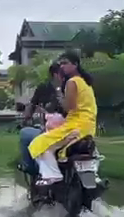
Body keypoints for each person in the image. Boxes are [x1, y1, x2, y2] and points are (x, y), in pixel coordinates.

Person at [28, 51, 98, 185]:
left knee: (39, 144)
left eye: (65, 63)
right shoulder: (85, 82)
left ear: (75, 64)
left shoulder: (72, 82)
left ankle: (52, 175)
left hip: (75, 126)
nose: (62, 66)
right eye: (60, 64)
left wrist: (59, 91)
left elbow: (69, 107)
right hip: (88, 126)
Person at [18, 63, 64, 175]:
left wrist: (25, 119)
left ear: (55, 74)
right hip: (75, 130)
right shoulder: (74, 86)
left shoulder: (51, 89)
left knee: (24, 133)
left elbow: (32, 105)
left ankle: (30, 168)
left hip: (53, 132)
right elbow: (32, 105)